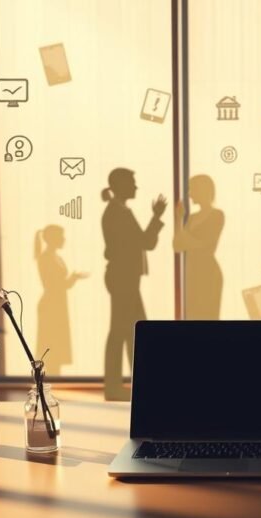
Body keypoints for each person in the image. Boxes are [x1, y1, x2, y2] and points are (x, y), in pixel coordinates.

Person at [101, 168, 167, 401]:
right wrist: (157, 217)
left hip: (124, 278)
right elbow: (145, 242)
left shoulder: (119, 211)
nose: (136, 186)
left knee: (130, 331)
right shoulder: (117, 213)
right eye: (132, 182)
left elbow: (140, 243)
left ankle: (125, 385)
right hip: (123, 279)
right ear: (120, 185)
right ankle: (117, 387)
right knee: (127, 331)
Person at [34, 225, 88, 376]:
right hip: (51, 305)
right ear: (53, 238)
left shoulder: (56, 257)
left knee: (57, 347)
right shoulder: (45, 258)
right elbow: (53, 284)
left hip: (58, 304)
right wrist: (72, 278)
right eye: (61, 236)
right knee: (51, 346)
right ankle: (52, 379)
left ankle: (55, 378)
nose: (64, 239)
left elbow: (62, 285)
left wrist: (74, 278)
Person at [174, 174, 225, 320]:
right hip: (192, 272)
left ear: (203, 190)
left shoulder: (217, 215)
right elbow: (177, 246)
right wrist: (179, 219)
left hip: (208, 273)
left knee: (208, 315)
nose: (189, 194)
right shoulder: (191, 217)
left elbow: (204, 243)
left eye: (192, 189)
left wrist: (187, 240)